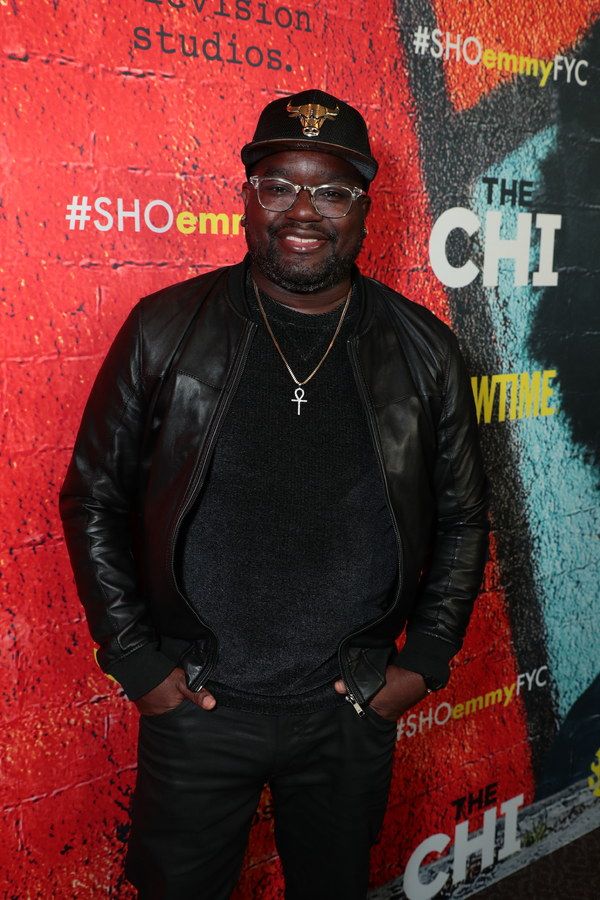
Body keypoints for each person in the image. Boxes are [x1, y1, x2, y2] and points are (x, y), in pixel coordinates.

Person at [59, 89, 489, 899]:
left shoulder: (425, 351)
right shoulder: (166, 329)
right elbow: (94, 498)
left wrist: (421, 665)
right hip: (198, 706)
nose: (304, 209)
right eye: (279, 184)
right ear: (247, 199)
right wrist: (139, 664)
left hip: (347, 710)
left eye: (331, 189)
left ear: (363, 207)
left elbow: (465, 516)